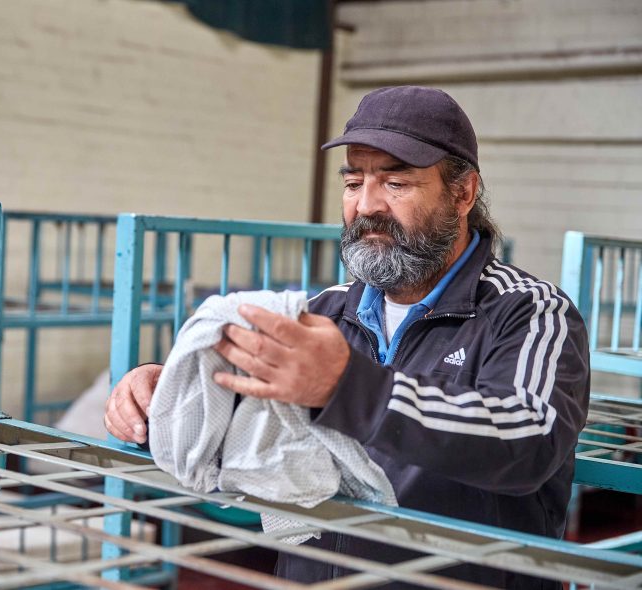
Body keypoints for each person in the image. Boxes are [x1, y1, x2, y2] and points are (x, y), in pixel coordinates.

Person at [103, 86, 590, 587]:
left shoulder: (528, 310)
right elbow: (236, 400)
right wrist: (164, 385)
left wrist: (347, 387)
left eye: (396, 183)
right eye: (354, 182)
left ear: (463, 193)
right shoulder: (324, 311)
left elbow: (528, 438)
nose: (366, 205)